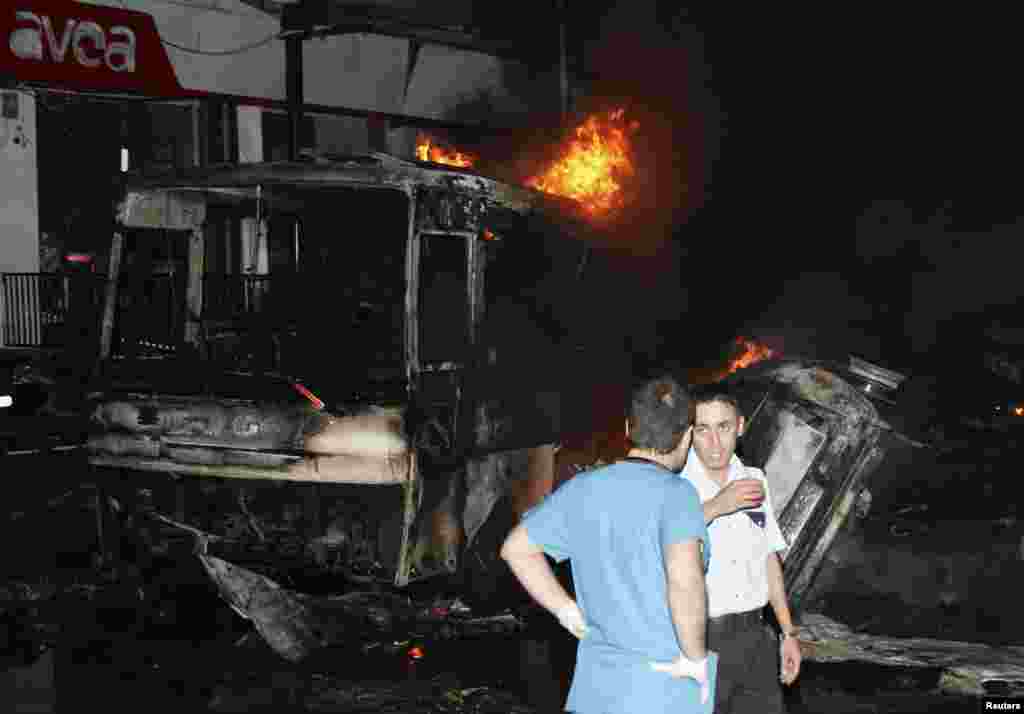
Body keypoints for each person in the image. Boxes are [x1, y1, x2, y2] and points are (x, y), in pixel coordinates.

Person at [500, 374, 716, 713]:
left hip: (596, 691)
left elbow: (516, 548)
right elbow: (684, 581)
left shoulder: (584, 487)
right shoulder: (677, 495)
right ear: (687, 436)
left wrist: (565, 610)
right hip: (661, 691)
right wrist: (695, 660)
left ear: (629, 428)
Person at [681, 384, 802, 714]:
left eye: (723, 427)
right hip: (697, 639)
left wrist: (787, 632)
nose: (714, 442)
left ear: (740, 426)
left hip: (755, 638)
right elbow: (660, 541)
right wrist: (718, 505)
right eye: (703, 430)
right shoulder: (675, 487)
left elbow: (768, 557)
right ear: (690, 433)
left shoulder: (755, 480)